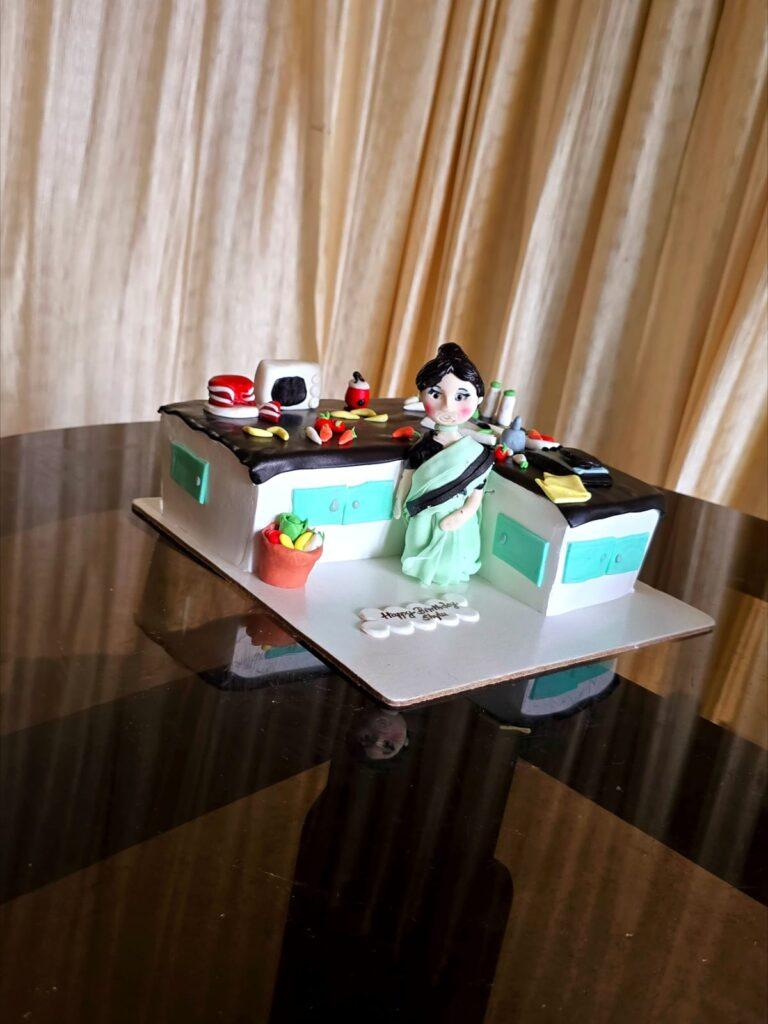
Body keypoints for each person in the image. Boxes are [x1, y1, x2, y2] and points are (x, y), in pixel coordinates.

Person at [393, 343, 494, 586]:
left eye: (461, 396)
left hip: (457, 518)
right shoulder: (422, 449)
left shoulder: (476, 454)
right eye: (436, 394)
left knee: (455, 555)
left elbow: (477, 491)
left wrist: (463, 514)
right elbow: (408, 478)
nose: (448, 406)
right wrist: (399, 505)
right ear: (421, 396)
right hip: (422, 515)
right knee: (419, 544)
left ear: (478, 400)